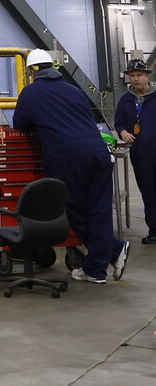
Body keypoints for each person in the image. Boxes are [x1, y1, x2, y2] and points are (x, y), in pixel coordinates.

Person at [12, 48, 129, 285]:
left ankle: (103, 261)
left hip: (68, 158)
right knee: (99, 211)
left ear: (33, 71)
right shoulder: (74, 90)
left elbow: (20, 124)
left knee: (74, 210)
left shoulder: (31, 93)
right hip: (98, 153)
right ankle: (105, 258)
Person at [114, 56, 156, 245]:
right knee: (148, 190)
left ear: (147, 76)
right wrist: (122, 131)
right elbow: (119, 122)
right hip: (140, 155)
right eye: (132, 75)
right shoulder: (125, 100)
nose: (136, 79)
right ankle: (154, 230)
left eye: (139, 75)